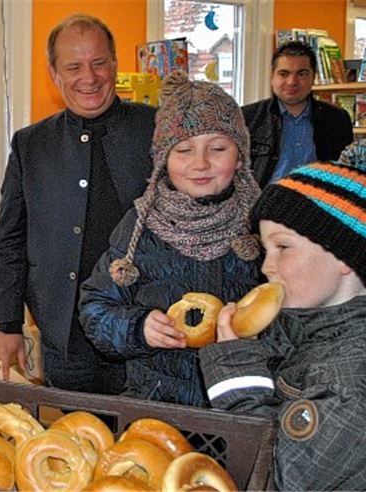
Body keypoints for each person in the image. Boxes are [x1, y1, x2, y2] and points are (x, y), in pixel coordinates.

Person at [199, 139, 366, 489]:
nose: (267, 266)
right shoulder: (314, 328)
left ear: (346, 256)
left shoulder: (350, 381)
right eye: (266, 249)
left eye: (283, 247)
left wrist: (235, 365)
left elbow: (277, 480)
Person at [0, 14, 156, 394]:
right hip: (65, 338)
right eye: (74, 67)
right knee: (75, 428)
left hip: (144, 332)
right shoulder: (31, 144)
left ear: (115, 64)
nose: (89, 78)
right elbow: (11, 239)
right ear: (54, 73)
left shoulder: (157, 129)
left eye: (99, 63)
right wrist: (8, 325)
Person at [77, 71, 262, 407]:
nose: (200, 163)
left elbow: (294, 312)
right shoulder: (140, 227)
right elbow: (95, 309)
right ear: (163, 160)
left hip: (244, 407)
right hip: (158, 407)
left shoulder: (262, 226)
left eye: (218, 148)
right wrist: (138, 328)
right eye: (184, 150)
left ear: (240, 157)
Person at [243, 41, 353, 187]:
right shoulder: (247, 118)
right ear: (272, 77)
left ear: (313, 77)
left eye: (302, 74)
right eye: (284, 74)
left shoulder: (337, 119)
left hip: (318, 199)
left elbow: (346, 172)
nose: (292, 82)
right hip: (263, 199)